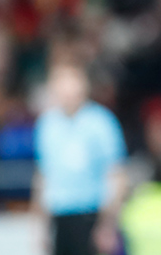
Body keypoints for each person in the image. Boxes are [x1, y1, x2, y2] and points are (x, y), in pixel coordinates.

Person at [32, 53, 128, 255]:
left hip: (90, 215)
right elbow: (43, 175)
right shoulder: (47, 124)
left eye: (71, 80)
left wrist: (108, 224)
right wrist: (40, 226)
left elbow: (117, 175)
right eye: (60, 81)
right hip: (59, 216)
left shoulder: (101, 122)